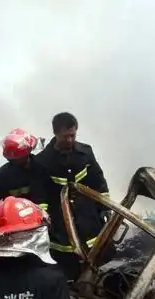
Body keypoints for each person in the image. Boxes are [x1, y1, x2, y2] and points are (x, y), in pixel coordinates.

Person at [30, 112, 110, 280]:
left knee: (100, 259)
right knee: (66, 263)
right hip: (59, 221)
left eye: (73, 135)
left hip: (88, 217)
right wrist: (43, 216)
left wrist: (105, 207)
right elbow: (39, 193)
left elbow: (98, 181)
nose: (70, 140)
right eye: (65, 136)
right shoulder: (42, 161)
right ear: (55, 133)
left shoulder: (86, 152)